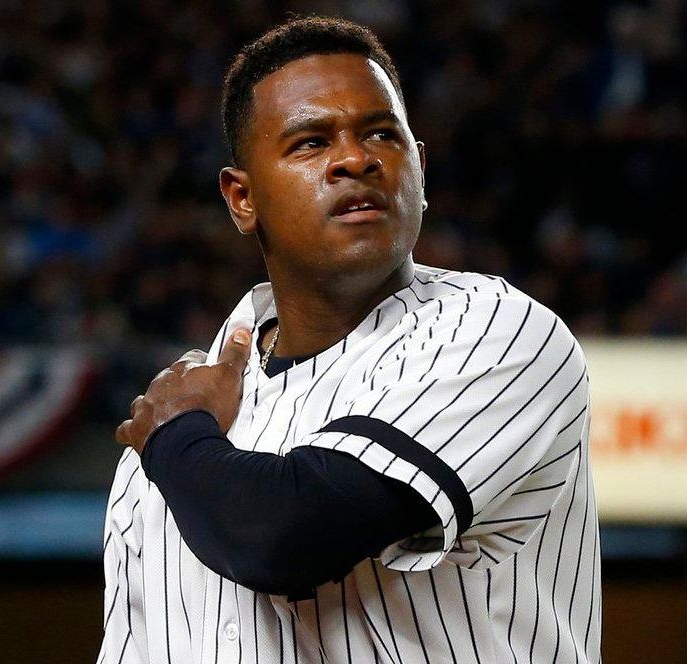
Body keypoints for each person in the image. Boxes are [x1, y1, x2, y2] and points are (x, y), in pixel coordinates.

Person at [100, 16, 599, 664]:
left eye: (380, 135)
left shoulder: (499, 333)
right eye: (310, 142)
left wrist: (174, 438)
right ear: (241, 198)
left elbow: (285, 535)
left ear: (417, 168)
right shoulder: (171, 420)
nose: (355, 158)